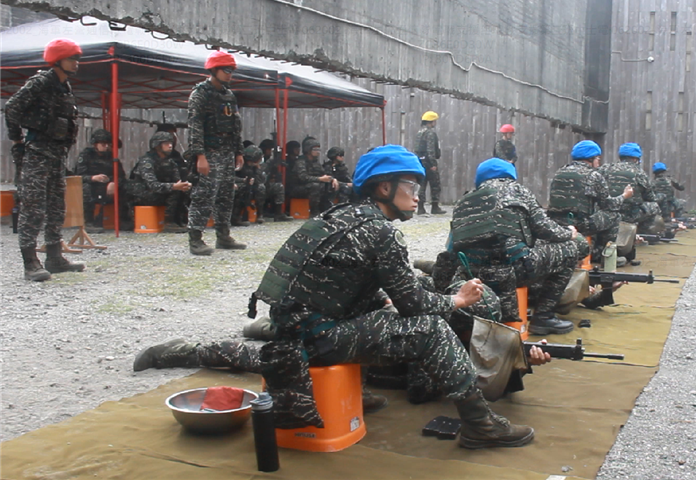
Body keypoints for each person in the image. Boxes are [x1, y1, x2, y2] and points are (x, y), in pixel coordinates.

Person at [134, 145, 544, 450]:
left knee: (281, 350)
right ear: (385, 187)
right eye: (410, 185)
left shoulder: (342, 216)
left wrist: (387, 302)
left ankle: (182, 350)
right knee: (431, 327)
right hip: (318, 335)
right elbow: (416, 306)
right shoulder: (378, 231)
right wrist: (457, 300)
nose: (417, 194)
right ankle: (479, 425)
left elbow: (357, 286)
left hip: (301, 327)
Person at [450, 158, 589, 335]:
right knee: (569, 250)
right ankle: (543, 317)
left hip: (472, 276)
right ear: (510, 175)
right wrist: (569, 233)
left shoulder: (463, 202)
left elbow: (453, 246)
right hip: (512, 272)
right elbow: (544, 228)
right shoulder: (516, 190)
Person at [4, 38, 86, 281]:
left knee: (56, 207)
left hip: (56, 155)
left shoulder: (64, 86)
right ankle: (31, 263)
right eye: (72, 58)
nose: (76, 63)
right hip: (37, 152)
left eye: (77, 59)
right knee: (33, 208)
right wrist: (17, 140)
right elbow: (12, 108)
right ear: (58, 60)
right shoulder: (41, 82)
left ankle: (54, 257)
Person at [185, 50, 247, 255]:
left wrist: (238, 151)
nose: (230, 74)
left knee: (226, 196)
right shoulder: (200, 94)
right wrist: (199, 156)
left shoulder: (228, 95)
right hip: (209, 152)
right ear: (214, 70)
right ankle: (195, 238)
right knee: (203, 195)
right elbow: (195, 127)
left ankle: (223, 235)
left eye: (232, 71)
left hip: (227, 152)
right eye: (226, 70)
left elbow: (235, 126)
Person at [548, 140, 633, 263]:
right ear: (590, 159)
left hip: (556, 224)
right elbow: (609, 205)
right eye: (598, 159)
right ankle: (605, 255)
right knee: (613, 215)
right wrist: (624, 196)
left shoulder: (559, 172)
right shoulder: (594, 176)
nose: (599, 163)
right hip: (580, 224)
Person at [127, 130, 192, 233]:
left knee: (185, 191)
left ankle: (180, 219)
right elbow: (153, 185)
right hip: (144, 194)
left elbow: (177, 180)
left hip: (161, 191)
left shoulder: (170, 162)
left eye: (171, 143)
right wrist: (174, 186)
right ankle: (169, 222)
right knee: (175, 191)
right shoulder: (147, 162)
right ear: (157, 146)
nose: (170, 146)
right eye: (166, 143)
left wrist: (184, 186)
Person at [75, 128, 131, 233]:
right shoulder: (86, 155)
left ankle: (124, 219)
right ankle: (89, 222)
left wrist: (114, 183)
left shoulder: (112, 157)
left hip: (108, 186)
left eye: (107, 144)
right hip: (92, 186)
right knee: (85, 188)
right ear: (95, 144)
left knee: (127, 187)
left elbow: (121, 175)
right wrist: (93, 178)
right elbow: (78, 176)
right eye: (102, 143)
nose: (106, 146)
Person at [599, 143, 661, 237]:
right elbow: (650, 197)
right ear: (636, 158)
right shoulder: (639, 173)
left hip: (607, 214)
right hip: (629, 216)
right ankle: (641, 233)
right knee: (654, 206)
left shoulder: (605, 168)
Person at [288, 136, 337, 216]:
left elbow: (323, 173)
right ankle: (314, 212)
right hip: (297, 188)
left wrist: (332, 179)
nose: (318, 152)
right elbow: (303, 178)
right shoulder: (301, 162)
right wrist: (320, 179)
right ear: (308, 150)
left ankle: (327, 208)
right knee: (315, 186)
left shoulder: (315, 162)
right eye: (315, 149)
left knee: (331, 185)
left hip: (311, 186)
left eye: (318, 149)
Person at [414, 111, 446, 215]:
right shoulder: (430, 133)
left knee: (422, 184)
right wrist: (433, 164)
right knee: (435, 184)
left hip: (420, 161)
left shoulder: (419, 132)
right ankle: (435, 207)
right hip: (428, 162)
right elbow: (430, 149)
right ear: (431, 122)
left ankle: (420, 207)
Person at [232, 145, 268, 225]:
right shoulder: (238, 163)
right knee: (242, 188)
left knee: (261, 188)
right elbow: (230, 177)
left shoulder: (256, 167)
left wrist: (258, 169)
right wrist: (242, 180)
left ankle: (260, 215)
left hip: (252, 187)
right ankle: (236, 218)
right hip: (238, 186)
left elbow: (262, 180)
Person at [258, 138, 291, 221]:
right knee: (261, 188)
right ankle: (260, 214)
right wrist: (271, 161)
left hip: (267, 185)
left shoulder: (272, 160)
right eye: (270, 150)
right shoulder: (259, 158)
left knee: (279, 186)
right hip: (257, 185)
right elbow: (261, 171)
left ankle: (278, 213)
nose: (271, 152)